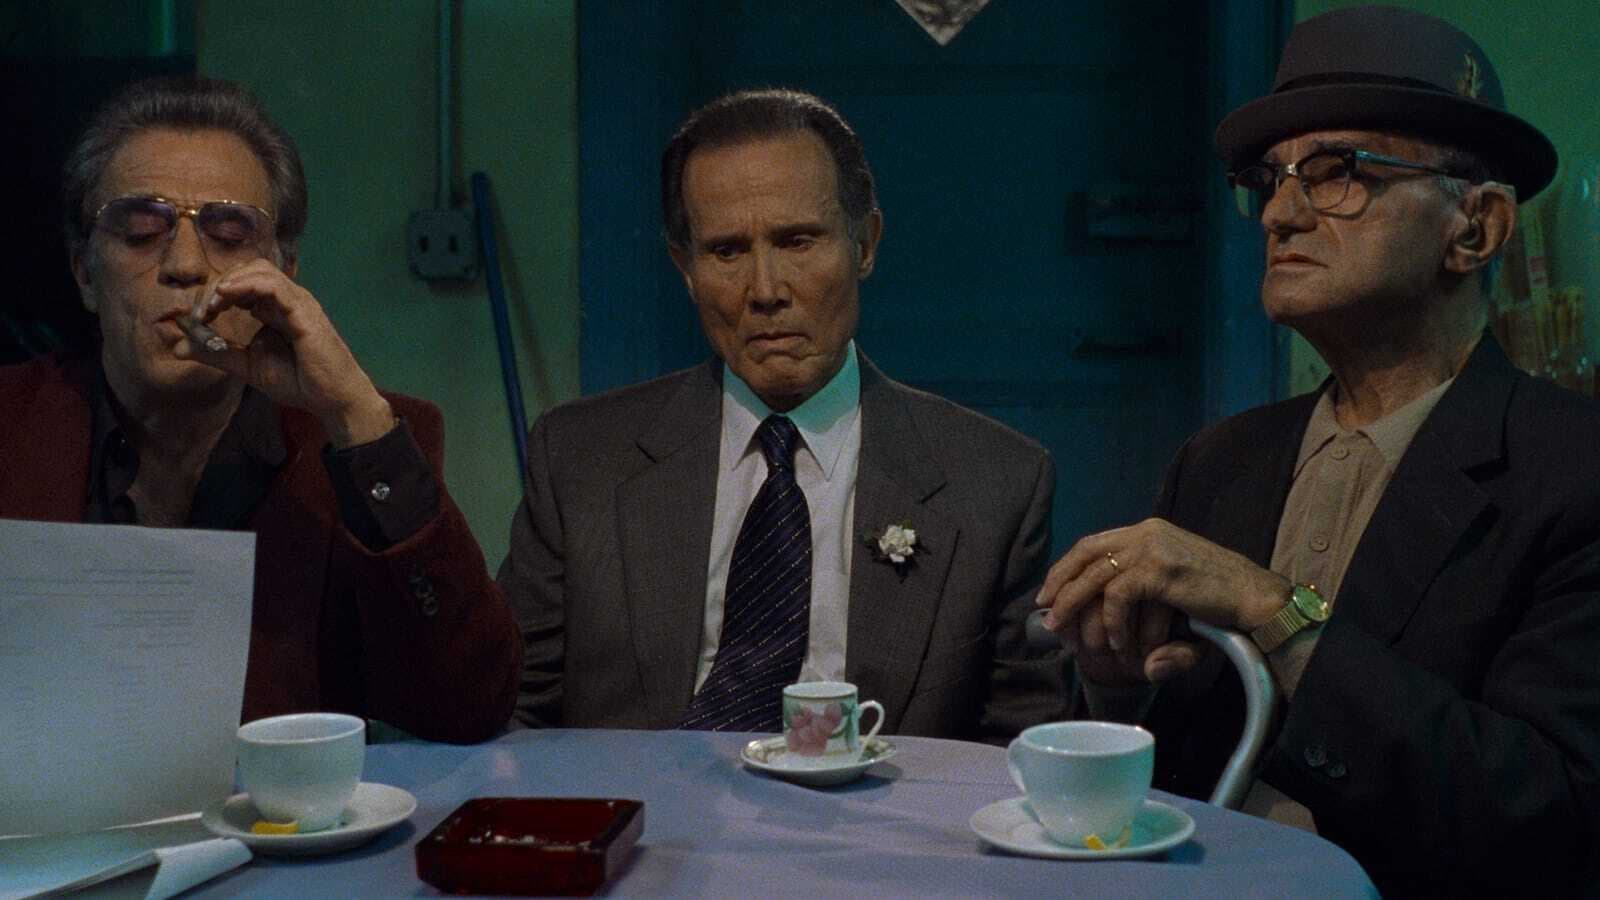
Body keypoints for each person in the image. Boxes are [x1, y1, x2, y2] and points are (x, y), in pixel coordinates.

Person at [1036, 7, 1599, 896]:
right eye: (1271, 179)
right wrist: (1117, 687)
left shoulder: (1572, 469)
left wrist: (1272, 608)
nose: (1280, 213)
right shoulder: (1219, 460)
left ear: (1476, 229)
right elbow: (1159, 783)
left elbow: (1548, 817)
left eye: (1339, 173)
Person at [501, 88, 1069, 739]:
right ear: (685, 269)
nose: (766, 290)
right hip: (643, 801)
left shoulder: (995, 483)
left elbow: (1024, 749)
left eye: (798, 241)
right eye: (727, 252)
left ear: (865, 244)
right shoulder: (580, 460)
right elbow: (510, 714)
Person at [0, 76, 520, 744]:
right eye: (140, 230)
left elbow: (469, 706)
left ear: (284, 274)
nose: (185, 265)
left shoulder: (365, 439)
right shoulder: (15, 424)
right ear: (83, 271)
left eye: (228, 233)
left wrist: (353, 412)